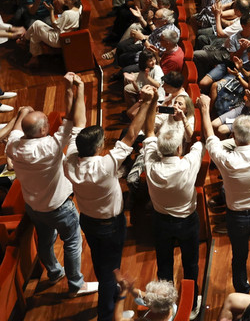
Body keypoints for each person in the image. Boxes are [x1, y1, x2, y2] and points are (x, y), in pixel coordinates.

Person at [4, 75, 97, 297]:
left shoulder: (13, 146)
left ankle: (55, 273)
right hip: (59, 207)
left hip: (34, 208)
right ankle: (77, 285)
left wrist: (22, 114)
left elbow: (16, 131)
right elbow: (71, 117)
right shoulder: (52, 146)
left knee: (45, 240)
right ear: (44, 130)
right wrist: (68, 87)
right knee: (72, 242)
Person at [64, 76, 145, 321]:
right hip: (111, 226)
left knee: (103, 266)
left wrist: (78, 90)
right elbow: (131, 134)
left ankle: (109, 301)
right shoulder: (105, 165)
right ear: (98, 148)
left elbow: (77, 122)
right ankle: (107, 314)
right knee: (110, 272)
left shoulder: (69, 160)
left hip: (88, 221)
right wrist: (146, 103)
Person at [197, 93, 250, 293]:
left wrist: (205, 110)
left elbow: (210, 138)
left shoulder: (225, 159)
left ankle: (243, 295)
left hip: (237, 218)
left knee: (239, 258)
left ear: (233, 136)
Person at [142, 83, 204, 311]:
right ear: (179, 149)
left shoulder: (150, 167)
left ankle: (166, 305)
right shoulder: (188, 163)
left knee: (164, 265)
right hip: (187, 222)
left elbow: (149, 133)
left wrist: (148, 103)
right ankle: (193, 301)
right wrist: (203, 111)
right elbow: (200, 141)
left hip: (161, 222)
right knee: (191, 264)